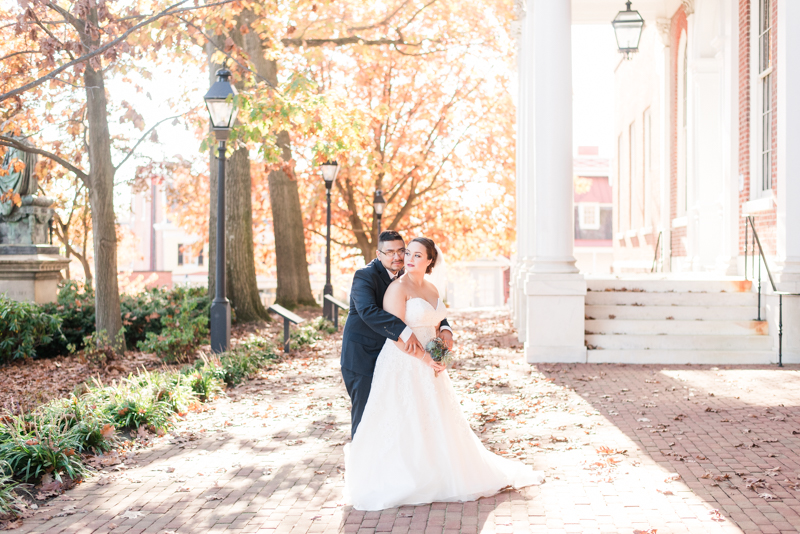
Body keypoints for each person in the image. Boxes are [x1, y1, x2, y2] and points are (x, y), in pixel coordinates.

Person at [343, 237, 544, 511]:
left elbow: (435, 319)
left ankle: (436, 471)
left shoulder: (422, 281)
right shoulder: (378, 280)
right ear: (379, 253)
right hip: (377, 355)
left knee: (432, 419)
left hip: (427, 361)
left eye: (410, 253)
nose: (403, 257)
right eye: (399, 253)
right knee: (374, 416)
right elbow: (378, 317)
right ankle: (366, 471)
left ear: (429, 261)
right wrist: (425, 356)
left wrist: (442, 350)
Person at [340, 231, 453, 438]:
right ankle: (361, 467)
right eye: (389, 252)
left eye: (402, 251)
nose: (398, 257)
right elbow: (368, 312)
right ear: (378, 254)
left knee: (401, 417)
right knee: (366, 417)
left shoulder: (408, 274)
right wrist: (404, 331)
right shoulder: (365, 276)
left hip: (399, 355)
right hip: (363, 356)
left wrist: (445, 328)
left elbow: (427, 309)